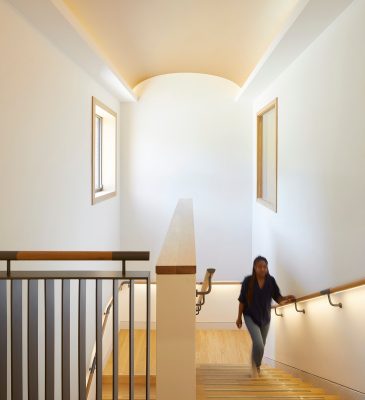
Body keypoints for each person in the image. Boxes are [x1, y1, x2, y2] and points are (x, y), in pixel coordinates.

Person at [236, 256, 295, 377]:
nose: (262, 269)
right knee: (258, 344)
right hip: (250, 316)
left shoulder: (271, 281)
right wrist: (239, 317)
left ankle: (256, 365)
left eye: (265, 267)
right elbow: (242, 301)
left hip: (265, 318)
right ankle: (255, 366)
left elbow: (277, 297)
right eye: (259, 267)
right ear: (255, 267)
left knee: (261, 345)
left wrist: (286, 298)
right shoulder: (248, 281)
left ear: (267, 268)